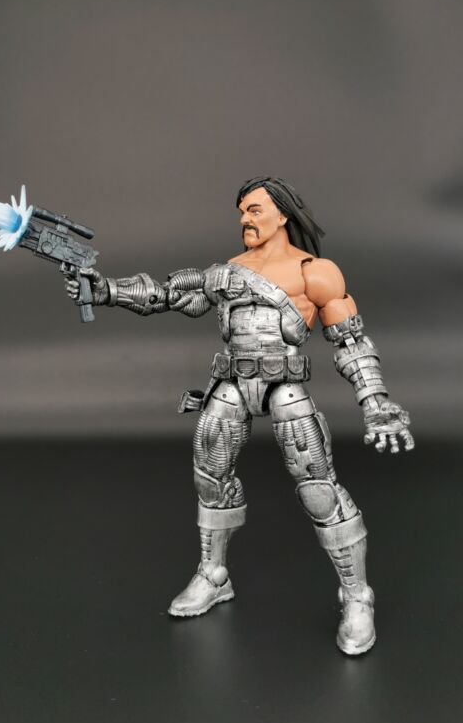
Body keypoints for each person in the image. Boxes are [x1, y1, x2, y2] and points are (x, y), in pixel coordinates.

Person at [66, 176, 413, 655]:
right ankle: (214, 575)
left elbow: (350, 340)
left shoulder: (315, 272)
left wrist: (374, 402)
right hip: (229, 386)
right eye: (241, 212)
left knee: (318, 487)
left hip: (285, 387)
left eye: (253, 209)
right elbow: (167, 295)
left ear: (282, 215)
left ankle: (356, 595)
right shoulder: (226, 272)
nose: (244, 220)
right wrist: (104, 290)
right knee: (210, 478)